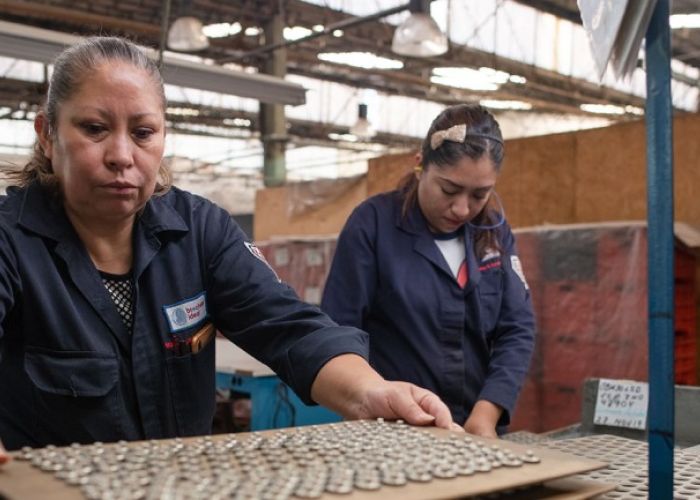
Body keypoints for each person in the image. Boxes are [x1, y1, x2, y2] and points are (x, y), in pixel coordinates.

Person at [0, 36, 461, 457]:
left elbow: (289, 327)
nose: (122, 155)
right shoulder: (10, 240)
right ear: (46, 132)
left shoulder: (200, 232)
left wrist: (370, 393)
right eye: (95, 129)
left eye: (143, 133)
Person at [321, 104, 535, 438]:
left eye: (480, 194)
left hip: (476, 429)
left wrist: (487, 412)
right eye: (449, 190)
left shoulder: (493, 230)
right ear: (420, 165)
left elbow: (517, 327)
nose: (462, 208)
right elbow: (339, 331)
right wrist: (370, 400)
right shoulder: (373, 226)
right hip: (394, 431)